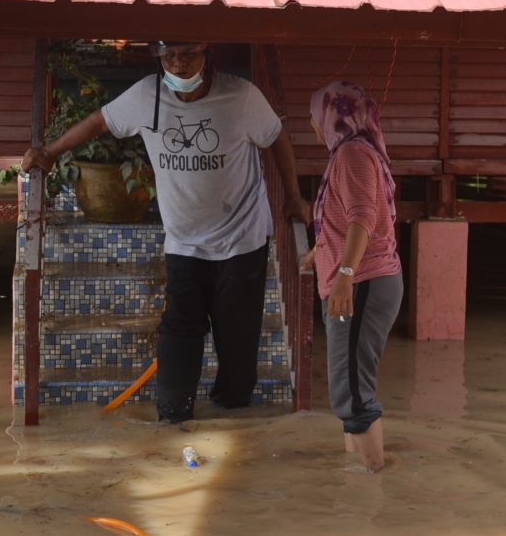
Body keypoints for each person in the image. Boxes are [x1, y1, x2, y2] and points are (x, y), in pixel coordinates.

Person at [23, 41, 310, 423]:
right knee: (178, 332)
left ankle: (236, 419)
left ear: (207, 55)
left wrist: (293, 196)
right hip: (184, 243)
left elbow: (276, 137)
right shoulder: (146, 96)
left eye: (187, 54)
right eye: (169, 56)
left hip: (241, 241)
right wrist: (51, 151)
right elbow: (100, 121)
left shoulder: (242, 97)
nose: (179, 63)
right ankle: (173, 421)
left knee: (238, 344)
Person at [302, 81, 403, 472]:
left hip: (362, 283)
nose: (312, 124)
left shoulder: (352, 155)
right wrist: (319, 252)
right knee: (352, 383)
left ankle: (376, 484)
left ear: (331, 118)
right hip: (363, 280)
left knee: (352, 392)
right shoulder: (355, 152)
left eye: (315, 116)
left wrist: (344, 273)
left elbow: (363, 217)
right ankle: (355, 474)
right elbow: (349, 219)